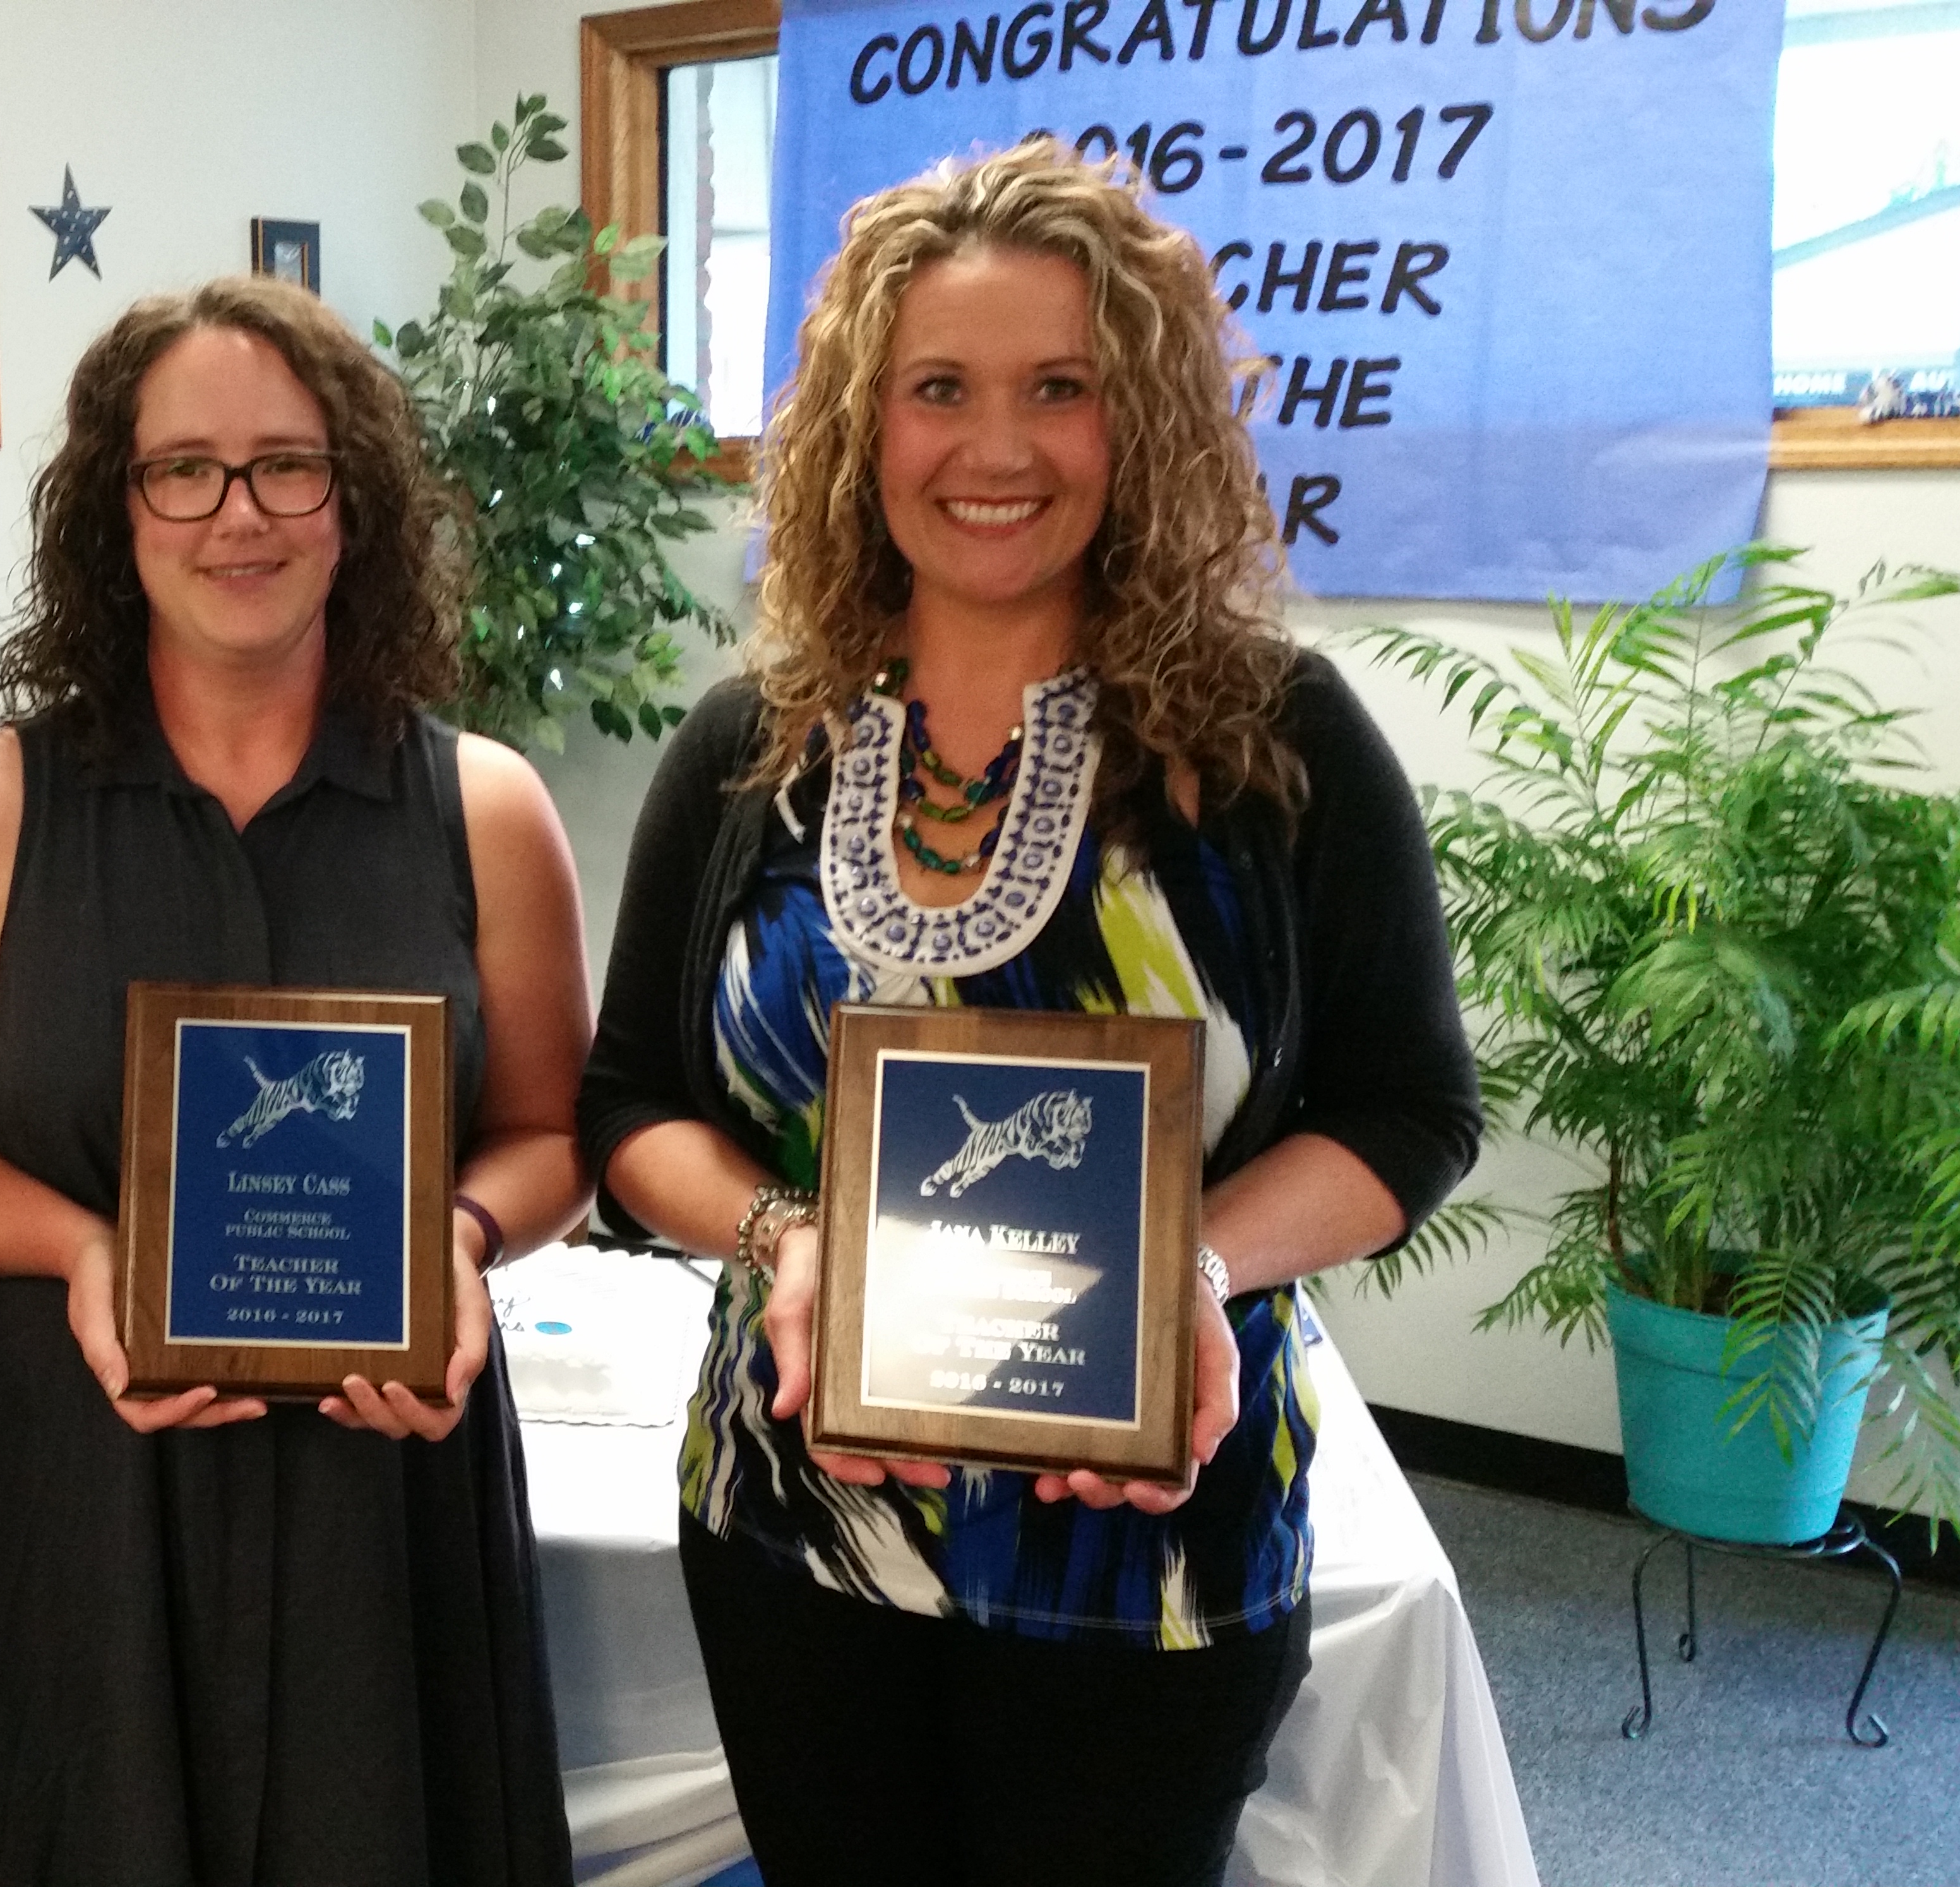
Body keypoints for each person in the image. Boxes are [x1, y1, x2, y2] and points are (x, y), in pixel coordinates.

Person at [578, 141, 1480, 1887]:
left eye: (1058, 387)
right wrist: (787, 1238)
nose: (996, 449)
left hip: (1155, 1553)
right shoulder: (748, 750)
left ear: (1136, 420)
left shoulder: (1279, 746)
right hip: (799, 1532)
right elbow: (629, 1107)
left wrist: (1190, 1270)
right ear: (865, 427)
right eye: (940, 389)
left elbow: (1408, 1113)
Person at [0, 274, 593, 1885]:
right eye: (183, 468)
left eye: (285, 465)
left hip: (384, 1491)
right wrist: (80, 1246)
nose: (235, 514)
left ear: (353, 498)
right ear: (118, 510)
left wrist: (452, 1238)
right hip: (64, 1481)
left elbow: (547, 1137)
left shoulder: (487, 808)